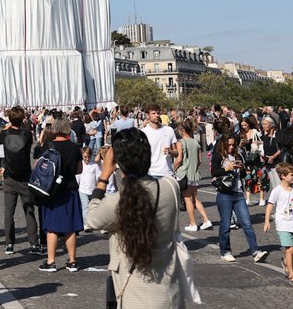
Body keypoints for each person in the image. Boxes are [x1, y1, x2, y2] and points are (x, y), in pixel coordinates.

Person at [84, 127, 184, 308]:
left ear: (117, 162)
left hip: (135, 295)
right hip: (170, 292)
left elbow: (92, 219)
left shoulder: (116, 203)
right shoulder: (171, 187)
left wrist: (104, 174)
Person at [210, 133, 269, 263]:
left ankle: (255, 251)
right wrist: (227, 168)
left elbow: (242, 174)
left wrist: (242, 168)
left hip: (238, 194)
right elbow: (214, 172)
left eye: (233, 144)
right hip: (224, 194)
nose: (231, 147)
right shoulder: (218, 156)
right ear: (224, 144)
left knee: (247, 223)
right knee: (225, 224)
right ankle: (225, 251)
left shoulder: (238, 155)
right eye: (229, 144)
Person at [37, 118, 83, 272]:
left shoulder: (49, 147)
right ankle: (72, 261)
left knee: (52, 227)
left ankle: (51, 261)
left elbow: (40, 168)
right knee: (71, 227)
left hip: (53, 191)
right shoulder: (74, 148)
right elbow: (79, 170)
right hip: (70, 188)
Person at [0, 106, 37, 254]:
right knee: (29, 211)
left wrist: (7, 126)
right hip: (25, 177)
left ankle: (9, 243)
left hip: (9, 177)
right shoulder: (27, 134)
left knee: (9, 212)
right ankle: (33, 243)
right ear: (23, 119)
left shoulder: (5, 133)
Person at [262, 163, 293, 287]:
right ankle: (292, 275)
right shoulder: (277, 190)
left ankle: (285, 262)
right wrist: (267, 221)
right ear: (283, 176)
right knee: (290, 249)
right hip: (283, 224)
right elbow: (270, 205)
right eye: (291, 175)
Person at [173, 119, 211, 232]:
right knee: (195, 199)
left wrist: (173, 168)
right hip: (194, 174)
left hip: (184, 173)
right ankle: (206, 220)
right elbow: (199, 160)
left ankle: (193, 223)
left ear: (182, 130)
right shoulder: (195, 142)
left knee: (188, 199)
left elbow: (179, 159)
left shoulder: (181, 143)